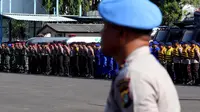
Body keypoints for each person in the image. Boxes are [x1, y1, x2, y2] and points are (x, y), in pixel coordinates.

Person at [98, 0, 180, 112]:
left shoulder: (135, 75)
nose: (101, 33)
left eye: (106, 27)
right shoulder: (144, 67)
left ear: (122, 34)